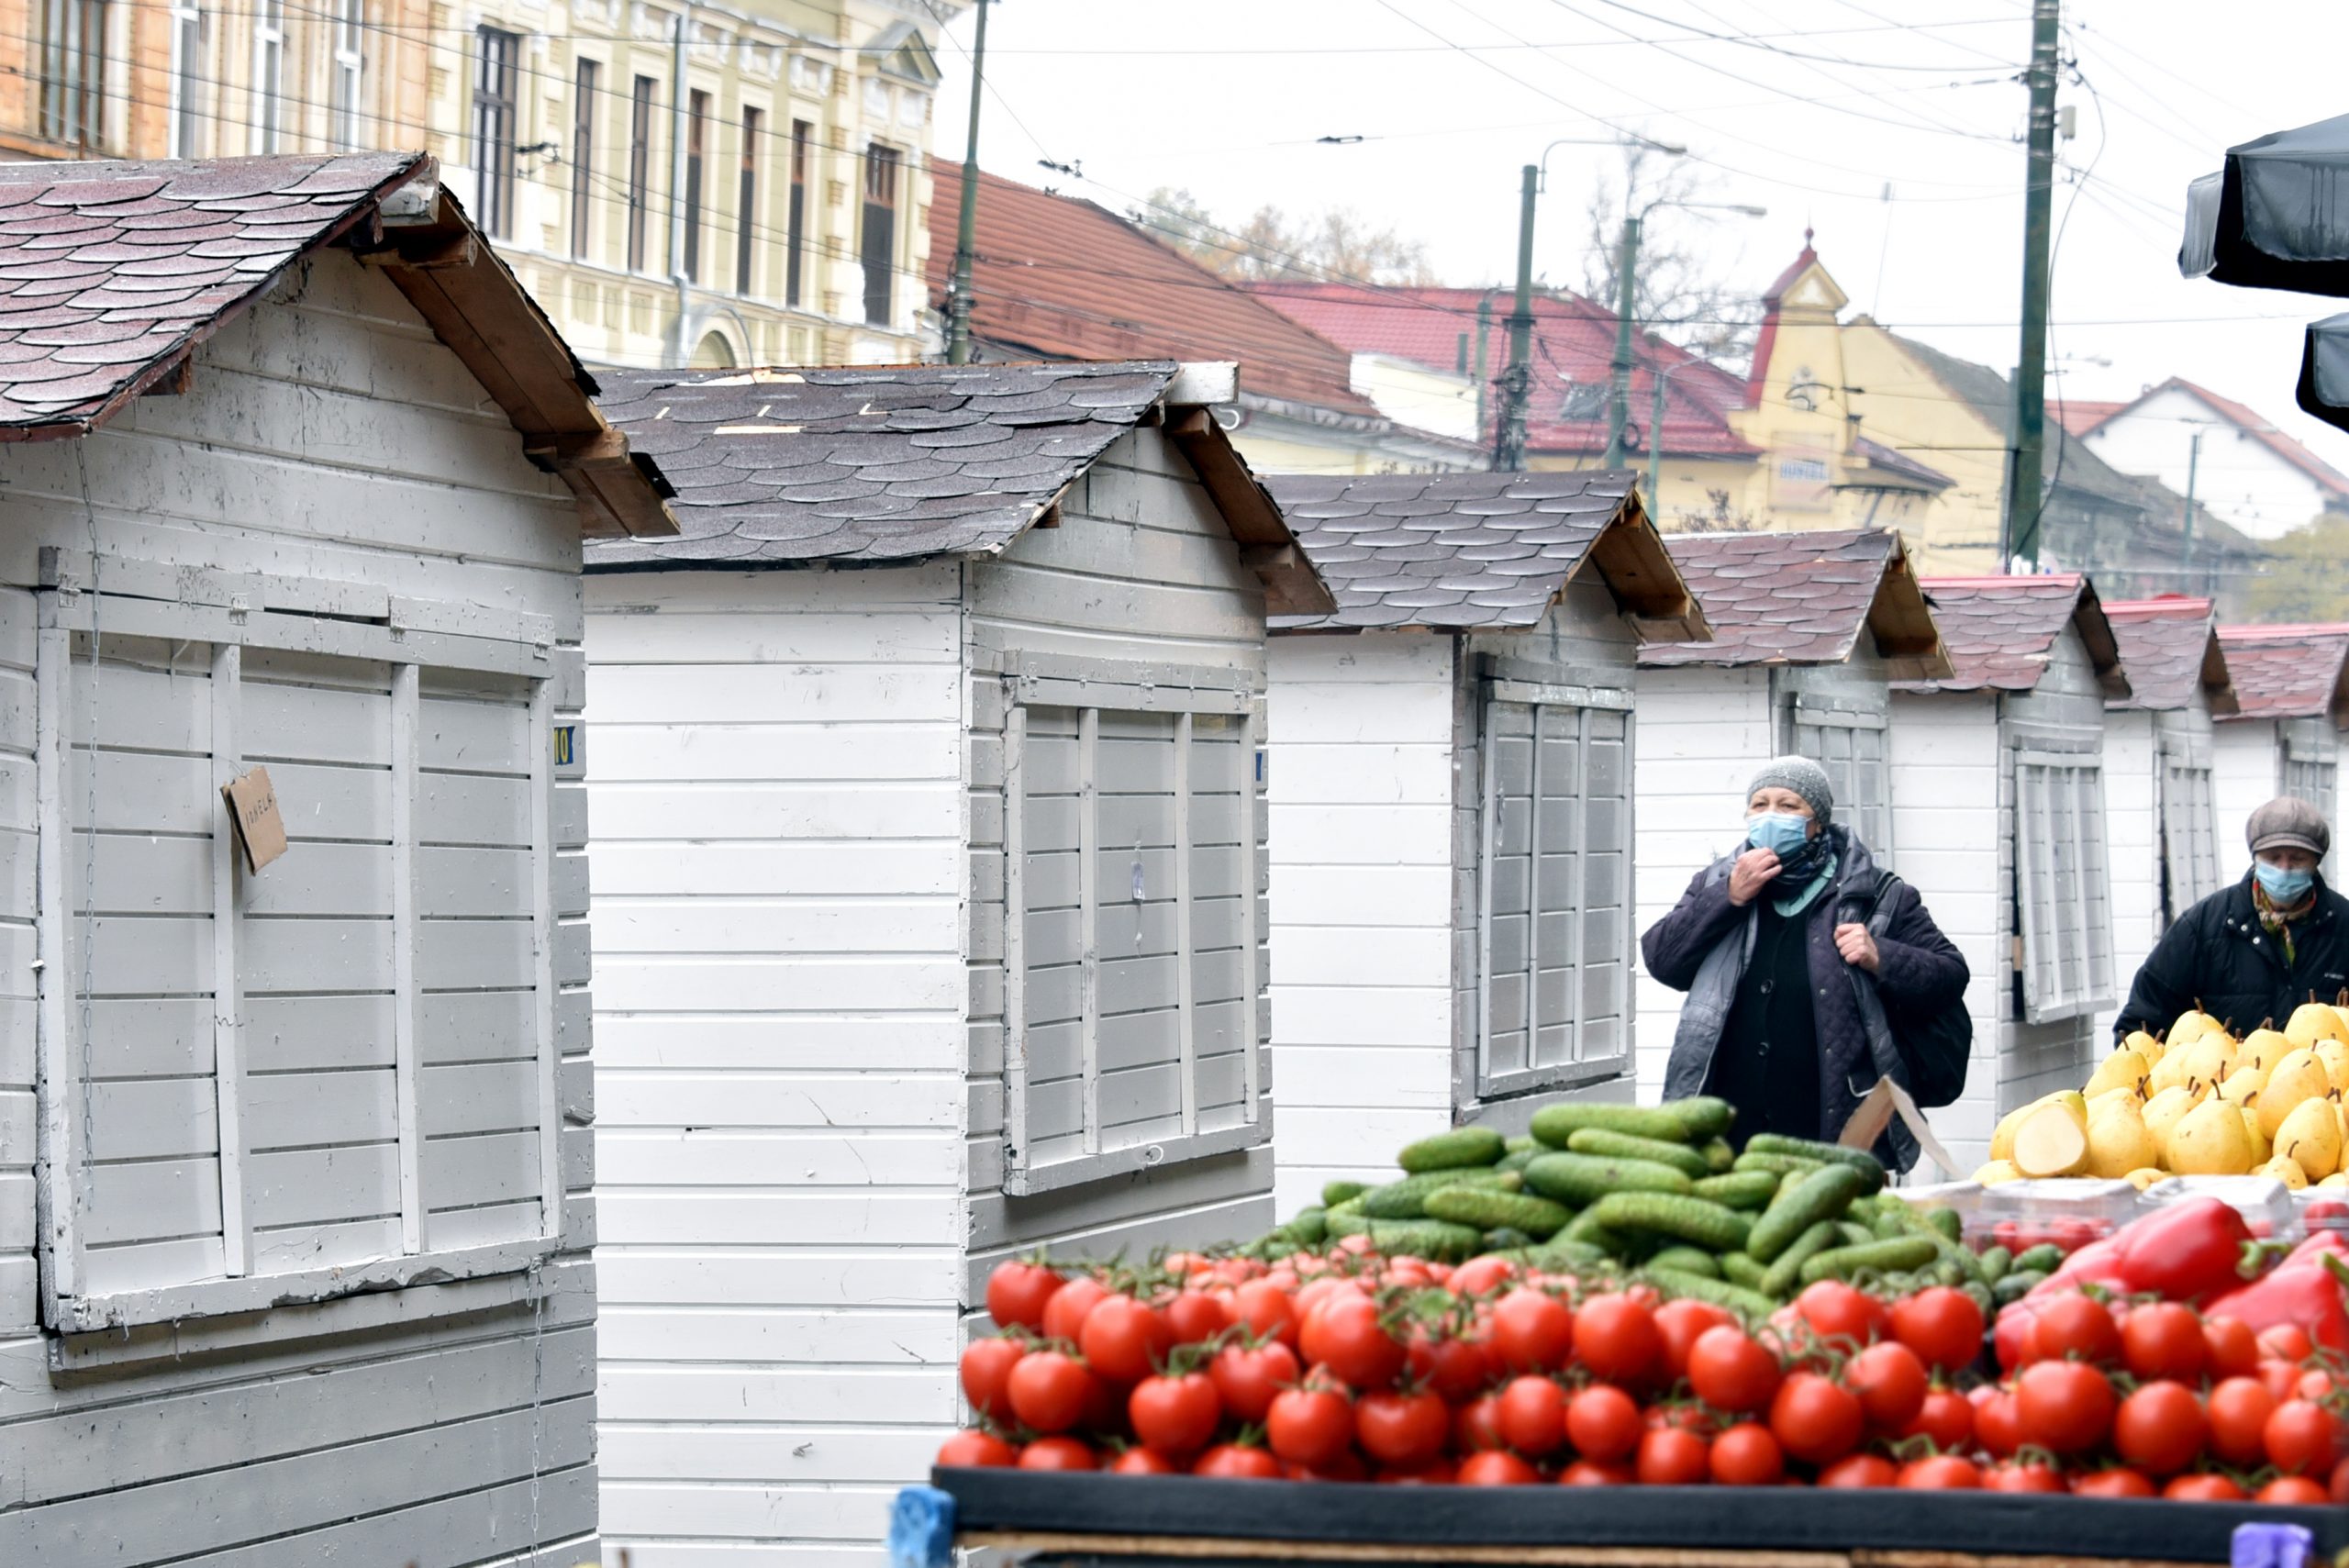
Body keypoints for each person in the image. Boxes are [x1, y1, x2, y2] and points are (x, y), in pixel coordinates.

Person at [1642, 757, 1971, 1158]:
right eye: (1759, 805)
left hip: (1833, 1120)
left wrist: (1881, 955)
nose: (1771, 816)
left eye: (1788, 805)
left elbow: (1951, 974)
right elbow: (1663, 960)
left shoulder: (1877, 894)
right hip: (1730, 1123)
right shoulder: (1717, 882)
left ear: (1817, 819)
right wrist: (1726, 898)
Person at [2115, 796, 2349, 1040]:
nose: (2284, 868)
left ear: (2316, 862)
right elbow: (2141, 1023)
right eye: (2273, 857)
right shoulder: (2203, 927)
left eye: (2297, 858)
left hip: (2322, 1075)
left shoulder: (2343, 925)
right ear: (2256, 858)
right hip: (2218, 1076)